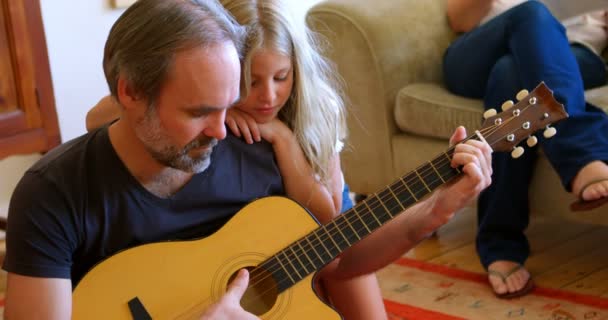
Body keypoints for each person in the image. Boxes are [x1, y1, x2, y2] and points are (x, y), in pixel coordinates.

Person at [2, 0, 493, 319]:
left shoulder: (258, 151)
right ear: (129, 93)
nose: (223, 131)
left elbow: (337, 259)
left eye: (225, 106)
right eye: (198, 112)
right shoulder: (53, 193)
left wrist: (436, 210)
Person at [85, 0, 388, 318]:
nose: (268, 96)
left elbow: (325, 219)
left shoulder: (319, 105)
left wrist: (283, 139)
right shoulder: (214, 104)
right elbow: (95, 119)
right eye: (251, 81)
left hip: (321, 212)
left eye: (281, 77)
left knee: (341, 271)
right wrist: (217, 105)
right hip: (255, 233)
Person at [443, 0, 608, 299]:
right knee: (532, 12)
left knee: (510, 74)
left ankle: (499, 242)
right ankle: (581, 154)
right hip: (481, 50)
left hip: (574, 52)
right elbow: (460, 19)